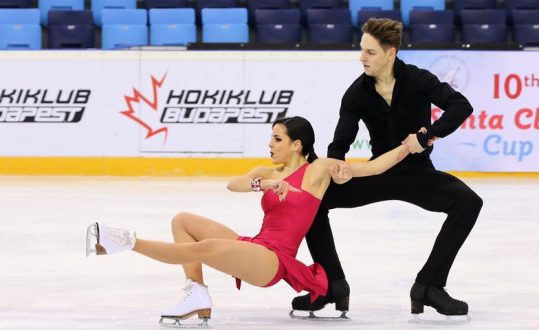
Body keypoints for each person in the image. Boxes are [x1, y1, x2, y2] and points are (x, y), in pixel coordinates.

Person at [85, 116, 411, 326]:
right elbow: (233, 184)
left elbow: (373, 168)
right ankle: (196, 291)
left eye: (277, 139)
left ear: (297, 145)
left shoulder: (317, 170)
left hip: (274, 260)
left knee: (208, 247)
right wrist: (265, 183)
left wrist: (407, 148)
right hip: (255, 245)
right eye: (271, 138)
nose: (270, 144)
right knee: (183, 220)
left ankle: (124, 241)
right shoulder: (267, 172)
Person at [290, 18, 483, 317]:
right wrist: (336, 167)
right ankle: (331, 285)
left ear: (390, 53)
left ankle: (429, 286)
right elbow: (341, 141)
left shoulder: (418, 79)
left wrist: (428, 135)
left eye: (370, 52)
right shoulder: (357, 93)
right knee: (312, 202)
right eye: (361, 50)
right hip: (377, 174)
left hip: (418, 174)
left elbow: (461, 105)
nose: (361, 57)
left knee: (469, 203)